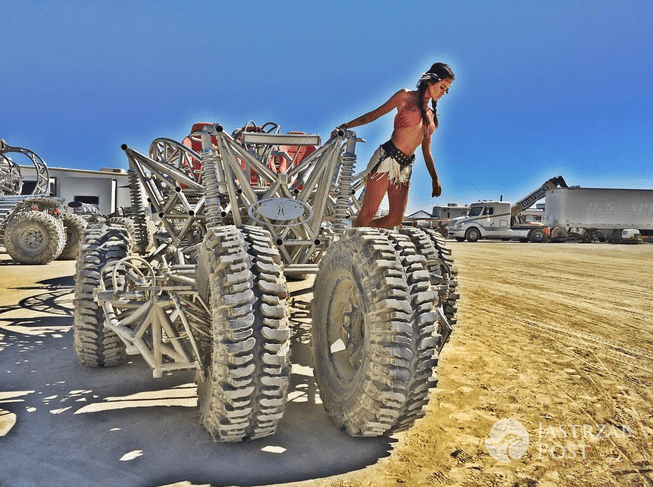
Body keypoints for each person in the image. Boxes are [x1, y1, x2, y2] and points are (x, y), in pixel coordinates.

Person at [334, 62, 455, 228]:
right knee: (368, 212)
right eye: (442, 87)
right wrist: (345, 126)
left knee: (395, 220)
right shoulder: (405, 96)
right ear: (430, 81)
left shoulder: (431, 117)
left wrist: (435, 178)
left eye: (446, 90)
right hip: (387, 158)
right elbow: (373, 115)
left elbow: (427, 151)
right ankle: (352, 243)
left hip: (405, 167)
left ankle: (357, 235)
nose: (443, 93)